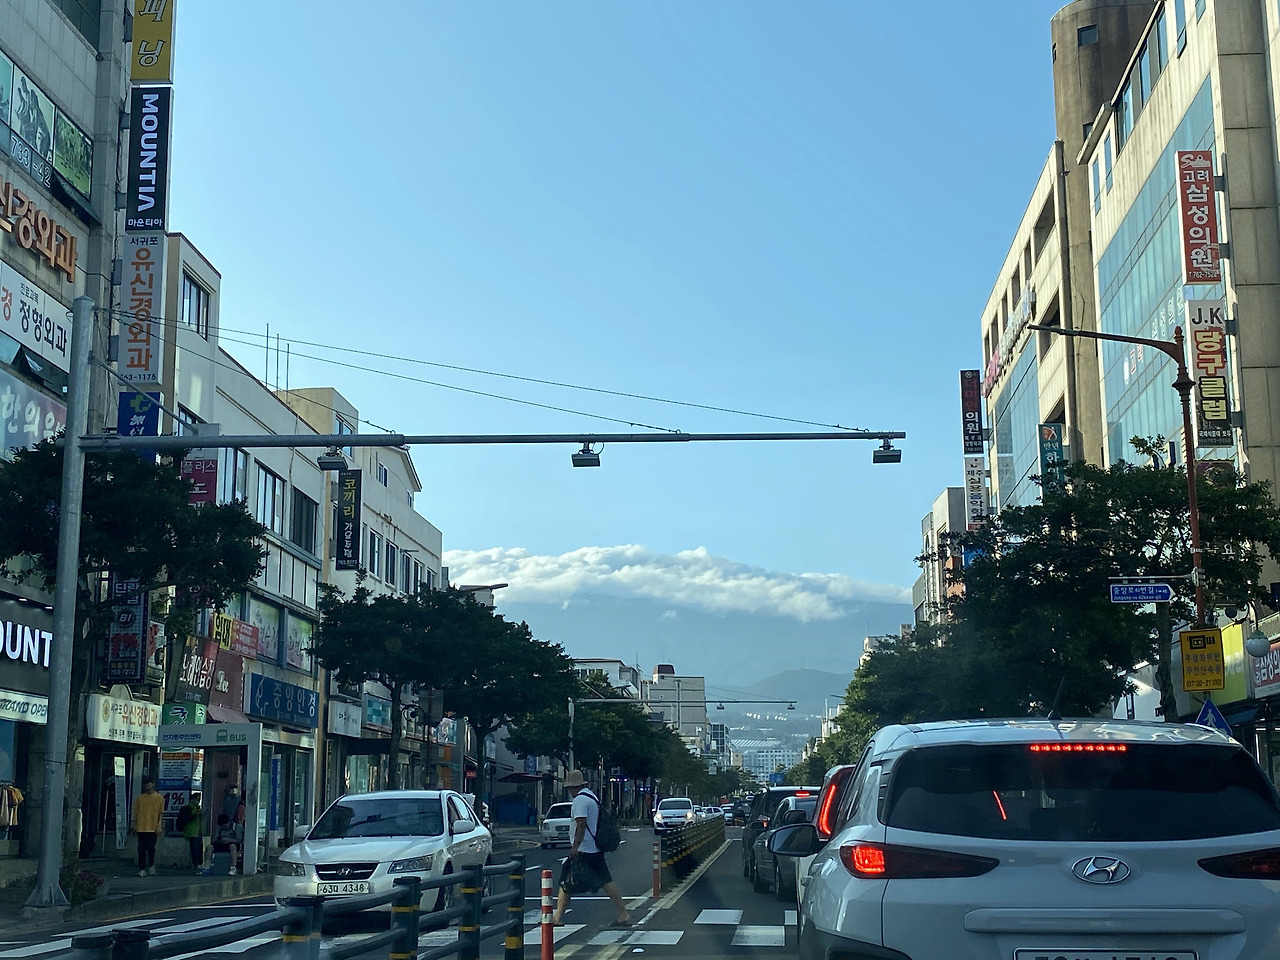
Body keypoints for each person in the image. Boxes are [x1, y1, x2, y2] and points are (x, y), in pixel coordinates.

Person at [550, 770, 630, 927]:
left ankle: (558, 917)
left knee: (566, 882)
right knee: (605, 881)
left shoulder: (580, 801)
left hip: (584, 849)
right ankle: (623, 913)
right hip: (593, 849)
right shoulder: (592, 797)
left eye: (570, 788)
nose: (570, 791)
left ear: (573, 787)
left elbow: (581, 825)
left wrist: (575, 846)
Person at [132, 780, 164, 877]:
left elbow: (161, 813)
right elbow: (136, 813)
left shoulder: (159, 797)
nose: (147, 786)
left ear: (153, 784)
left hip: (152, 827)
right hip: (141, 827)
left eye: (149, 784)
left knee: (151, 848)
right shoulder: (140, 798)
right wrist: (134, 825)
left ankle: (151, 865)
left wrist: (159, 825)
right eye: (145, 784)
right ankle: (142, 868)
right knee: (141, 848)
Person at [178, 793, 203, 872]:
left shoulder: (197, 808)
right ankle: (195, 863)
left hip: (198, 830)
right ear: (192, 799)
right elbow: (188, 818)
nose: (198, 801)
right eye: (197, 799)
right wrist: (197, 814)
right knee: (194, 848)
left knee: (199, 848)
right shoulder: (188, 808)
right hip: (191, 831)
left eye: (199, 800)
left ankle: (199, 863)